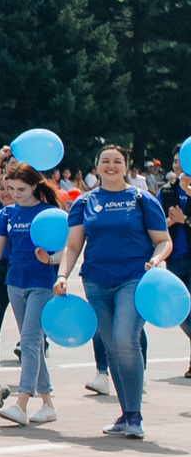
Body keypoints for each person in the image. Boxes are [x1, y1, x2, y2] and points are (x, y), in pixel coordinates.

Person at [54, 142, 171, 440]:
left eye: (117, 161)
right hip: (96, 280)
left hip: (134, 278)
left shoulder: (142, 199)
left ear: (125, 166)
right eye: (105, 160)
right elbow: (72, 245)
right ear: (97, 166)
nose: (111, 165)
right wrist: (62, 275)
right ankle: (126, 413)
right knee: (111, 346)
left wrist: (157, 259)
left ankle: (135, 415)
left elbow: (163, 239)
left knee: (125, 339)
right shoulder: (84, 202)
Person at [0, 156, 63, 426]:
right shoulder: (6, 213)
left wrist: (51, 260)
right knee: (33, 346)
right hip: (14, 283)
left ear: (34, 187)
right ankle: (48, 404)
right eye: (10, 189)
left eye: (21, 190)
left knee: (29, 342)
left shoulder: (50, 212)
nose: (14, 195)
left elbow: (68, 249)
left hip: (41, 283)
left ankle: (21, 403)